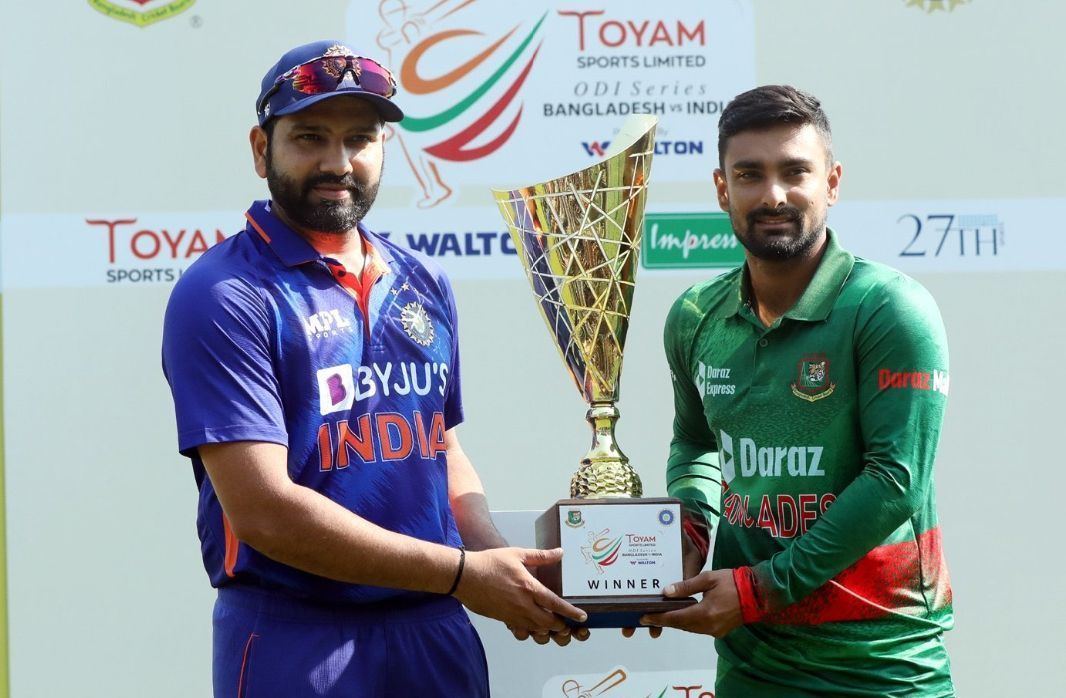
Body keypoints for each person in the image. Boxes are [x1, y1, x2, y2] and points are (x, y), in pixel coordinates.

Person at [161, 40, 586, 698]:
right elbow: (265, 512)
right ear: (260, 148)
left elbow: (438, 444)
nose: (338, 162)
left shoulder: (423, 279)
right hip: (297, 638)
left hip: (434, 627)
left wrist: (498, 562)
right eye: (309, 137)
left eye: (360, 138)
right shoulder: (224, 294)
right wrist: (464, 574)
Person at [644, 85, 956, 696]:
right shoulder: (695, 317)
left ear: (832, 183)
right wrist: (688, 526)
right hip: (751, 666)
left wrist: (758, 589)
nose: (774, 195)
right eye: (750, 174)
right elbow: (695, 444)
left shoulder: (889, 308)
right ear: (721, 188)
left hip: (882, 665)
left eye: (795, 172)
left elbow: (896, 482)